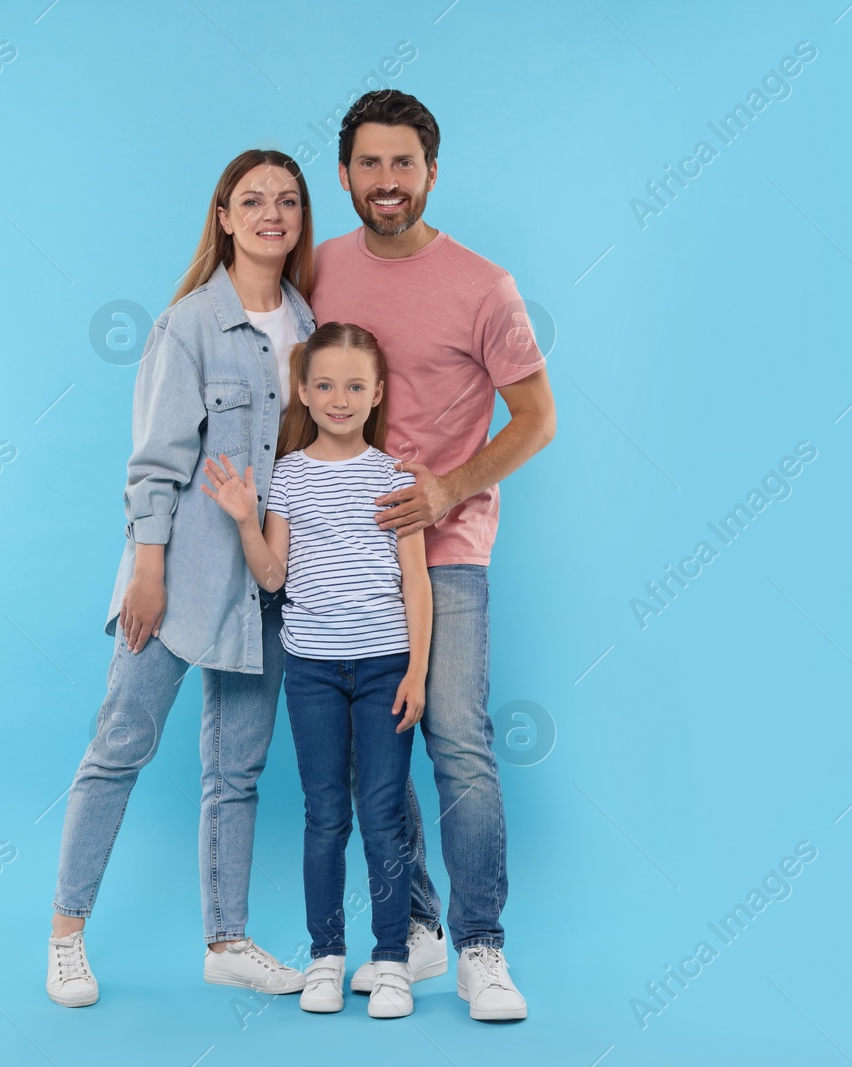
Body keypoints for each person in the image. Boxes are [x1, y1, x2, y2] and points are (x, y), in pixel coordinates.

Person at [46, 149, 318, 1007]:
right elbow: (155, 463)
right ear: (225, 217)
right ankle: (65, 936)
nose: (271, 212)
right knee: (117, 749)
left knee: (237, 770)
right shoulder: (189, 325)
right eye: (253, 200)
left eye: (287, 200)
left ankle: (227, 939)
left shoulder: (312, 327)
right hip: (179, 579)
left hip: (267, 587)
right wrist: (147, 570)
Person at [310, 90, 557, 1022]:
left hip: (446, 546)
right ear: (344, 175)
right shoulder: (321, 269)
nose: (385, 182)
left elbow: (538, 418)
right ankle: (415, 925)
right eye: (368, 164)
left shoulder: (483, 285)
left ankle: (482, 946)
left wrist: (450, 488)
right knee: (377, 746)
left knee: (455, 735)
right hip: (339, 554)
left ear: (431, 173)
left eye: (402, 164)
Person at [202, 322, 432, 1019]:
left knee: (384, 814)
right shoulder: (291, 477)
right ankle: (327, 956)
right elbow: (272, 576)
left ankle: (390, 959)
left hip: (385, 663)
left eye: (354, 386)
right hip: (312, 671)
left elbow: (416, 582)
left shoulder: (396, 478)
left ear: (376, 394)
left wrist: (417, 671)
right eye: (325, 384)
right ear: (303, 390)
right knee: (325, 812)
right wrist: (246, 518)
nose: (339, 398)